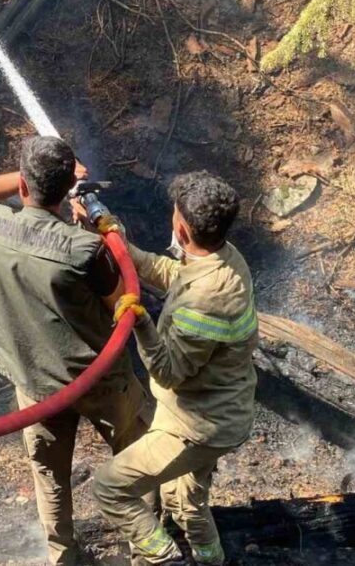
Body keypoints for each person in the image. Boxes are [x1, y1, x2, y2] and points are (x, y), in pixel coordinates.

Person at [0, 136, 151, 566]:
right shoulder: (84, 248)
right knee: (137, 457)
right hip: (99, 380)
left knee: (49, 475)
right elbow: (123, 300)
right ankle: (148, 547)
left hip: (34, 382)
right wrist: (90, 221)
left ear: (25, 188)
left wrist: (40, 177)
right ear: (66, 188)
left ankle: (63, 558)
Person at [92, 171, 258, 566]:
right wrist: (119, 242)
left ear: (181, 228)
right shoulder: (224, 258)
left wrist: (142, 324)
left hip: (197, 428)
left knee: (110, 487)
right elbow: (174, 275)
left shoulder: (206, 301)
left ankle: (163, 558)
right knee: (184, 501)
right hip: (218, 411)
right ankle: (210, 559)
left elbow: (168, 372)